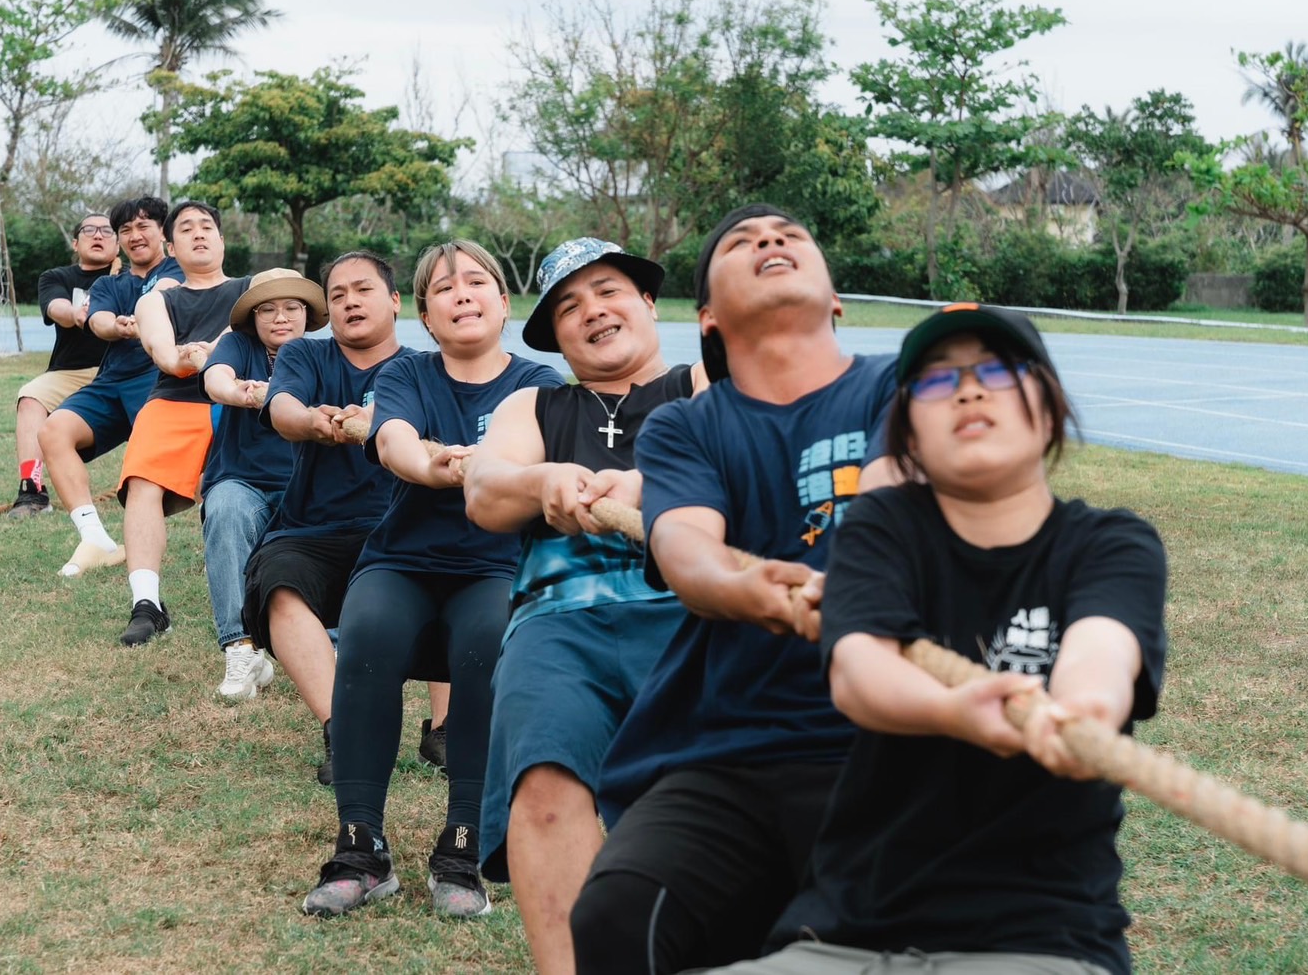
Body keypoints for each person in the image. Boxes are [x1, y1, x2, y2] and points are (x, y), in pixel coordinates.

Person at [710, 303, 1168, 975]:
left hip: (1042, 940)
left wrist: (1081, 715)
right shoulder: (884, 528)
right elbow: (859, 672)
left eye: (1000, 370)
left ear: (1049, 410)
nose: (969, 389)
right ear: (909, 438)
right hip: (848, 934)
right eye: (935, 379)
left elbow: (1101, 655)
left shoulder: (1109, 543)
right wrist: (955, 712)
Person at [568, 205, 899, 974]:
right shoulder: (686, 427)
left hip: (889, 744)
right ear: (708, 315)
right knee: (617, 916)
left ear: (837, 298)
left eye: (792, 235)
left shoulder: (902, 384)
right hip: (730, 751)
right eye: (742, 242)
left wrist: (857, 577)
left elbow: (897, 500)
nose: (771, 241)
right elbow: (686, 548)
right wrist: (761, 592)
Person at [462, 236, 705, 974]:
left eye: (608, 292)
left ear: (646, 304)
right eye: (569, 306)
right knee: (543, 783)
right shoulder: (534, 403)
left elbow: (747, 465)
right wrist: (544, 483)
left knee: (698, 808)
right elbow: (482, 489)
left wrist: (647, 486)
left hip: (691, 617)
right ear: (556, 337)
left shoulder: (701, 386)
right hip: (558, 626)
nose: (592, 311)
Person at [302, 239, 563, 921]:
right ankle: (360, 849)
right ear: (425, 312)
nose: (462, 294)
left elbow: (532, 464)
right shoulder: (408, 374)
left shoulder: (539, 384)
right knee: (364, 636)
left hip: (495, 565)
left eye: (477, 281)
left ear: (504, 302)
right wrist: (438, 466)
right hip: (403, 560)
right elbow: (393, 442)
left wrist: (496, 469)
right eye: (444, 289)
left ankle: (463, 848)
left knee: (486, 646)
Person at [244, 251, 447, 781]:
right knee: (278, 583)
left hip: (402, 527)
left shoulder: (425, 370)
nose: (350, 301)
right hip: (313, 527)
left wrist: (379, 418)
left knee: (457, 570)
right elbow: (283, 409)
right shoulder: (305, 357)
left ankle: (446, 731)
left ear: (396, 301)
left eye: (363, 289)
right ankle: (348, 729)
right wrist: (312, 420)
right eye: (338, 294)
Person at [116, 201, 250, 647]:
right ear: (171, 247)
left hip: (242, 401)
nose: (198, 234)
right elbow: (166, 355)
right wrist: (189, 356)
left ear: (222, 239)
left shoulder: (253, 290)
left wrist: (210, 349)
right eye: (186, 229)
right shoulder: (158, 298)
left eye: (207, 226)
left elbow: (275, 327)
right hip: (175, 402)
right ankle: (147, 605)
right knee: (142, 482)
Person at [39, 195, 184, 577]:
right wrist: (115, 326)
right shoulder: (109, 283)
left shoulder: (178, 270)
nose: (135, 235)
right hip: (111, 381)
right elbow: (98, 319)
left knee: (166, 475)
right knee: (53, 430)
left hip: (158, 382)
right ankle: (95, 539)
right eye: (126, 230)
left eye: (143, 226)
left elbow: (164, 291)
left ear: (162, 233)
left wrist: (145, 313)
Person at [198, 267, 325, 701]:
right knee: (227, 508)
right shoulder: (237, 345)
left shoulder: (323, 355)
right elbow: (215, 380)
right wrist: (243, 393)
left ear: (307, 313)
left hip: (307, 487)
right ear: (252, 317)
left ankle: (337, 642)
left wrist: (277, 395)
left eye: (292, 307)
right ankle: (241, 647)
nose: (280, 317)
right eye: (267, 309)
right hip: (242, 480)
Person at [8, 213, 116, 517]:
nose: (98, 235)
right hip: (70, 372)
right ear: (75, 241)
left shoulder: (129, 276)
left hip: (121, 369)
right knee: (30, 397)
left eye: (107, 231)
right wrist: (78, 314)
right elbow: (57, 308)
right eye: (89, 230)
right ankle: (32, 492)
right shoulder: (56, 277)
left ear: (118, 244)